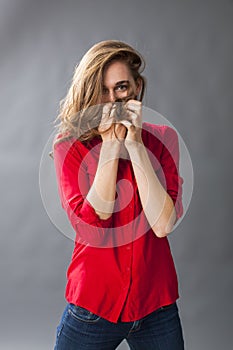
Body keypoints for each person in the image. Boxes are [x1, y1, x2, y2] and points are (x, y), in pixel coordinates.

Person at [52, 40, 184, 350]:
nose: (112, 100)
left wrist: (136, 145)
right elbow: (91, 227)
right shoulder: (69, 147)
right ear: (90, 93)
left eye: (121, 87)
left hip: (156, 306)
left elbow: (163, 224)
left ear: (137, 88)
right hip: (93, 308)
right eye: (103, 90)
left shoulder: (163, 139)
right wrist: (111, 145)